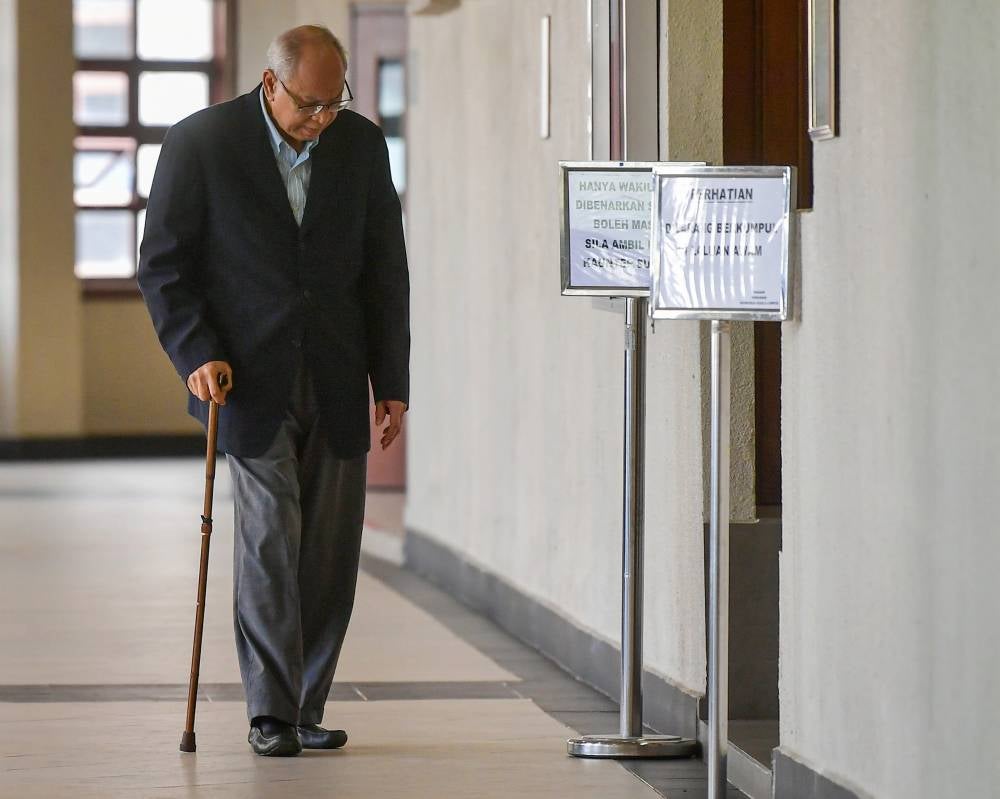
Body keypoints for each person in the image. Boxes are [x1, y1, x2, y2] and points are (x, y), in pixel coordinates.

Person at [138, 25, 409, 757]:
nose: (323, 117)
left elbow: (386, 269)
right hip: (244, 378)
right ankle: (269, 710)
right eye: (309, 104)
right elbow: (163, 265)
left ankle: (307, 702)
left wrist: (392, 382)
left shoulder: (359, 147)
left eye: (334, 102)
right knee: (268, 540)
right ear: (270, 83)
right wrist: (195, 351)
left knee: (327, 549)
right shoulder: (201, 143)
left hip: (335, 372)